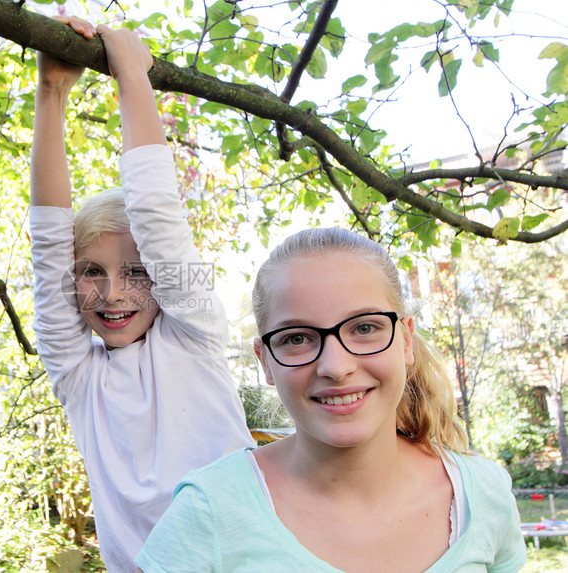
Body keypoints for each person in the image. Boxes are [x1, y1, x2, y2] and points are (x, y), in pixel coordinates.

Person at [136, 228, 527, 573]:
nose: (336, 367)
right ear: (265, 361)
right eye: (297, 338)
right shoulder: (210, 511)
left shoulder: (482, 495)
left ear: (406, 339)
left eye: (365, 328)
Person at [28, 16, 255, 573]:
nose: (113, 293)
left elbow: (158, 215)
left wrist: (132, 73)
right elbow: (47, 241)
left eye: (137, 271)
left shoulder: (194, 332)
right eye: (90, 271)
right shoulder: (80, 377)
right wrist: (52, 90)